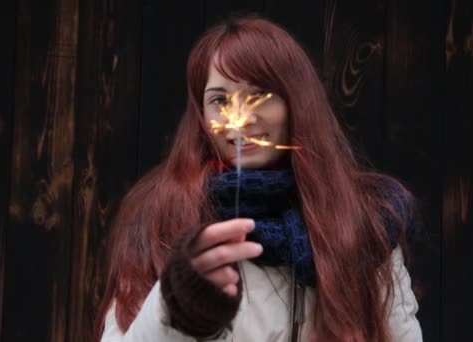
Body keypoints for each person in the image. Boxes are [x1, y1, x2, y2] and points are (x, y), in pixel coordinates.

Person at [97, 16, 422, 342]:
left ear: (296, 103)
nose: (240, 119)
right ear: (201, 115)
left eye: (260, 95)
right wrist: (175, 310)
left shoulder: (363, 219)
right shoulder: (159, 214)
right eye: (220, 100)